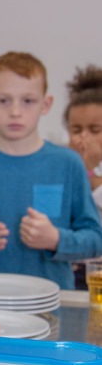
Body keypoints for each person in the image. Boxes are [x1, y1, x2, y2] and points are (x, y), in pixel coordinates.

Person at [0, 51, 102, 289]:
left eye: (28, 101)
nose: (15, 111)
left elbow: (95, 239)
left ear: (46, 104)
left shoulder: (68, 163)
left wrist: (56, 239)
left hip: (52, 303)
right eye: (3, 100)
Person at [64, 65, 102, 289]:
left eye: (95, 130)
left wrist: (91, 172)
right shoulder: (63, 163)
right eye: (76, 130)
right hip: (71, 272)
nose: (83, 138)